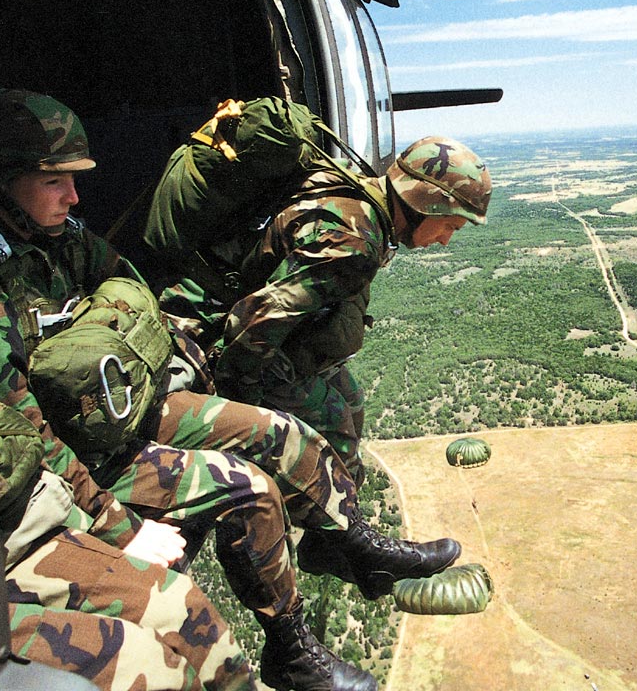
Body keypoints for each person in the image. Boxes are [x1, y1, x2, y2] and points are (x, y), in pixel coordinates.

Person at [0, 89, 461, 691]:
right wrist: (122, 528)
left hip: (127, 406)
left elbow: (127, 286)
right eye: (54, 181)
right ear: (1, 181)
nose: (75, 195)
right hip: (84, 453)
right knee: (250, 488)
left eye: (73, 179)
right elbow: (29, 429)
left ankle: (333, 575)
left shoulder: (63, 239)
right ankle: (295, 642)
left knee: (284, 434)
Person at [143, 132, 492, 491]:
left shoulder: (356, 191)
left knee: (350, 400)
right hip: (204, 326)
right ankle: (339, 536)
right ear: (425, 202)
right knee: (333, 421)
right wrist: (245, 411)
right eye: (450, 224)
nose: (447, 238)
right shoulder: (353, 243)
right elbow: (256, 323)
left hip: (230, 311)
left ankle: (340, 523)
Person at [0, 375, 255, 691]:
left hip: (13, 530)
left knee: (183, 607)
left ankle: (289, 645)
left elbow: (24, 438)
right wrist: (116, 528)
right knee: (146, 668)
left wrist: (114, 528)